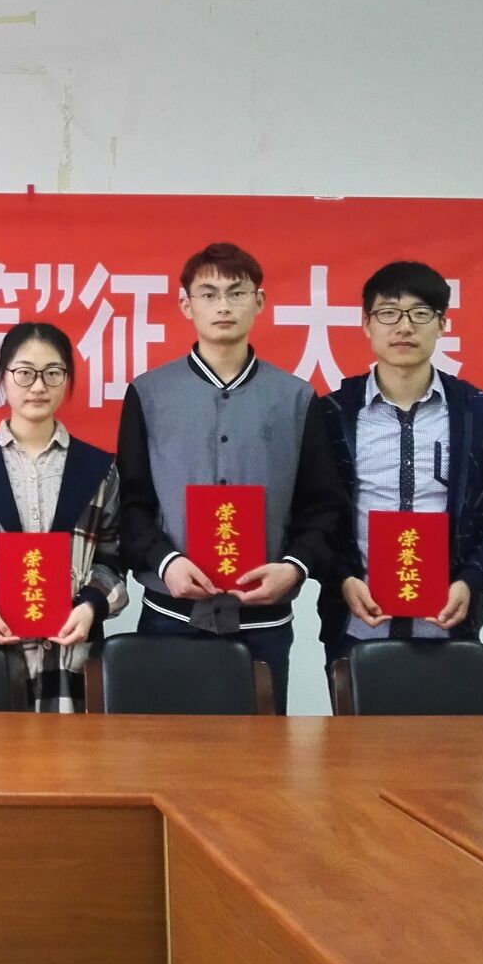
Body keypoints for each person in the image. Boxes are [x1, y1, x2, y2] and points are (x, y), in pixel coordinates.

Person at [117, 243, 346, 714]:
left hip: (262, 621)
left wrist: (294, 567)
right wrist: (165, 563)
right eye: (209, 293)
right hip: (170, 615)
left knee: (259, 752)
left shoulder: (296, 398)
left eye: (236, 293)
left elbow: (323, 505)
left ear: (259, 302)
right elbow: (131, 504)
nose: (223, 305)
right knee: (165, 748)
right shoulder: (149, 394)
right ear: (186, 305)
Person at [319, 260, 483, 663]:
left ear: (442, 324)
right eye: (388, 313)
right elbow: (311, 514)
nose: (404, 327)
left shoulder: (480, 413)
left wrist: (471, 581)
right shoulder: (332, 414)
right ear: (366, 324)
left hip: (449, 626)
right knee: (357, 708)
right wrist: (342, 577)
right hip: (355, 626)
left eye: (420, 314)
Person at [0, 323, 125, 712]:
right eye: (24, 373)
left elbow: (112, 561)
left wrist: (90, 607)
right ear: (2, 378)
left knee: (71, 750)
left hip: (70, 656)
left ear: (67, 379)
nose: (38, 386)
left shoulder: (98, 469)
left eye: (53, 373)